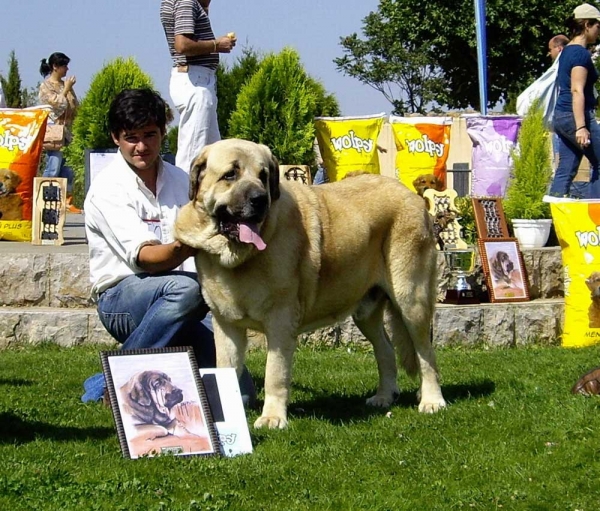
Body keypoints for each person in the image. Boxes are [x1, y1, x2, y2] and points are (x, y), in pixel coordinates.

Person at [81, 88, 255, 405]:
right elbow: (148, 260)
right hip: (122, 299)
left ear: (163, 132)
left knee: (240, 396)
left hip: (188, 300)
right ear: (115, 137)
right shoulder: (107, 188)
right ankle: (117, 379)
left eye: (150, 134)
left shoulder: (181, 180)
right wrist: (196, 240)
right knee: (185, 290)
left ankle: (102, 380)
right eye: (131, 137)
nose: (142, 146)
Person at [160, 0, 236, 174]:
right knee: (193, 153)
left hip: (196, 79)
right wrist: (217, 45)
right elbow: (182, 45)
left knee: (213, 154)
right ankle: (182, 198)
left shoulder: (180, 3)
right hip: (196, 82)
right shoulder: (186, 2)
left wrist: (204, 8)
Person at [549, 4, 600, 199]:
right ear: (587, 24)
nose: (598, 32)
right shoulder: (580, 53)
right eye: (598, 27)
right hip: (576, 117)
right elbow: (577, 90)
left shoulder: (566, 52)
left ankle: (555, 219)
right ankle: (597, 218)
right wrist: (581, 127)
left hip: (561, 117)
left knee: (566, 169)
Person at [38, 52, 81, 213]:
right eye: (64, 66)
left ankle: (66, 201)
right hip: (53, 133)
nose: (66, 69)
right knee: (53, 167)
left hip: (67, 133)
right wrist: (66, 90)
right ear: (55, 67)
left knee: (67, 170)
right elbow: (55, 106)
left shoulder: (65, 85)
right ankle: (46, 200)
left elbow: (74, 106)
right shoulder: (45, 86)